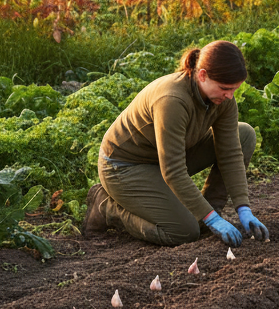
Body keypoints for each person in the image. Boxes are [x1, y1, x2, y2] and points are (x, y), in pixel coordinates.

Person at [83, 40, 269, 246]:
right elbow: (173, 171)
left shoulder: (223, 99)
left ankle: (208, 215)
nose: (230, 95)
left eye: (235, 89)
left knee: (244, 135)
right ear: (203, 75)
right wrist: (212, 219)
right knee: (182, 231)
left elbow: (231, 153)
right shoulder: (172, 100)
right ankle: (106, 207)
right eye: (225, 88)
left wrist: (243, 208)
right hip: (124, 167)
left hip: (163, 158)